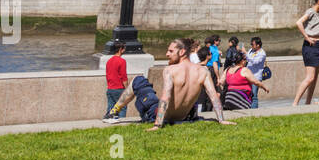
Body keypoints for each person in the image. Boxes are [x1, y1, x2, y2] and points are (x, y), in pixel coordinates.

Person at [105, 39, 235, 128]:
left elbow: (166, 97)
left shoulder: (170, 70)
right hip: (184, 117)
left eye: (171, 51)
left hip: (159, 114)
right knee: (148, 89)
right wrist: (221, 120)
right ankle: (114, 112)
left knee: (138, 81)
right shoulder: (203, 71)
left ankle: (113, 112)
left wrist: (157, 124)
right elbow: (213, 96)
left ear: (182, 52)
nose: (167, 54)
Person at [294, 0, 319, 106]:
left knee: (314, 78)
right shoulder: (311, 12)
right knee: (310, 78)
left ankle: (308, 103)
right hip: (311, 46)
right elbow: (299, 22)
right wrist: (307, 37)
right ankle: (295, 104)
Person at [104, 42, 129, 119]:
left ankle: (108, 122)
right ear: (120, 50)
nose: (124, 51)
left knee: (111, 109)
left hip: (110, 89)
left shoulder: (109, 61)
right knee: (122, 108)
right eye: (124, 49)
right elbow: (124, 77)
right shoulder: (122, 61)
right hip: (119, 89)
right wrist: (127, 89)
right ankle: (121, 124)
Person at [246, 37, 267, 108]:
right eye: (251, 44)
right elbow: (247, 58)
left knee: (254, 95)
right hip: (248, 76)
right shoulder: (251, 51)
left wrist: (246, 54)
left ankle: (254, 111)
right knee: (248, 94)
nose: (251, 46)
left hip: (256, 76)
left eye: (252, 44)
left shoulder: (262, 53)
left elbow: (255, 61)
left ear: (258, 45)